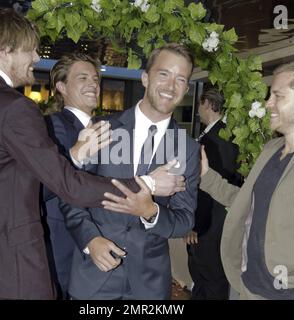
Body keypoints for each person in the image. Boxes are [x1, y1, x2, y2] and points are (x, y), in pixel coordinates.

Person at [0, 9, 185, 300]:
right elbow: (69, 185)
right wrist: (148, 184)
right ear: (5, 50)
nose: (36, 58)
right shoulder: (14, 108)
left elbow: (0, 173)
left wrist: (74, 156)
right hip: (3, 271)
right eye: (30, 50)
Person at [62, 43, 200, 300]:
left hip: (148, 285)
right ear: (145, 78)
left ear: (187, 88)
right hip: (94, 276)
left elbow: (184, 221)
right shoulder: (103, 128)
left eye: (181, 79)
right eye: (164, 74)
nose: (171, 86)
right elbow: (70, 191)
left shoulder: (187, 149)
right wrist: (90, 240)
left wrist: (150, 212)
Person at [200, 59, 294, 300]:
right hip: (249, 288)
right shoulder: (271, 149)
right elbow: (248, 204)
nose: (268, 103)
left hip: (290, 294)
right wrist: (206, 177)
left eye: (278, 96)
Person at [41, 53, 102, 299]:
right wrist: (75, 154)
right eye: (83, 77)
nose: (93, 84)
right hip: (63, 247)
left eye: (96, 79)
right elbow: (40, 186)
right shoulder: (49, 127)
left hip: (102, 249)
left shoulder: (111, 129)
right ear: (61, 86)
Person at [184, 88, 243, 300]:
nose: (198, 111)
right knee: (206, 280)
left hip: (210, 224)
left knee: (210, 280)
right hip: (220, 221)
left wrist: (194, 225)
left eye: (200, 105)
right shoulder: (227, 135)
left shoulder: (214, 140)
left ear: (208, 104)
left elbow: (207, 189)